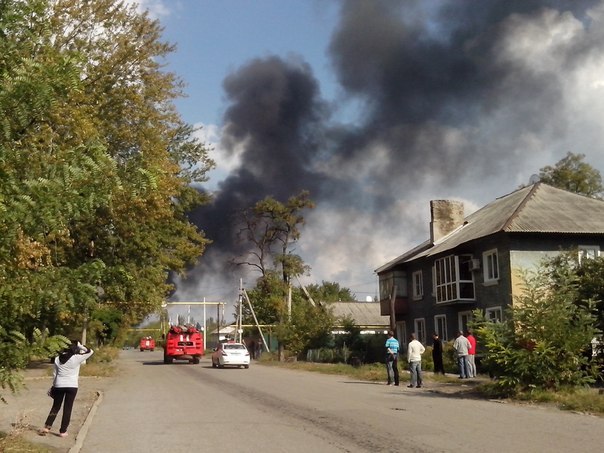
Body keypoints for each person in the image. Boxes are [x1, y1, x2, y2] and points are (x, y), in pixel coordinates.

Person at [41, 340, 94, 437]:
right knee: (67, 408)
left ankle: (47, 427)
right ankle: (63, 431)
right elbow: (90, 351)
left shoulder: (57, 359)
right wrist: (80, 346)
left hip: (58, 385)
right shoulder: (76, 358)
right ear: (74, 348)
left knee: (56, 407)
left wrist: (53, 386)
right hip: (72, 386)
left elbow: (54, 374)